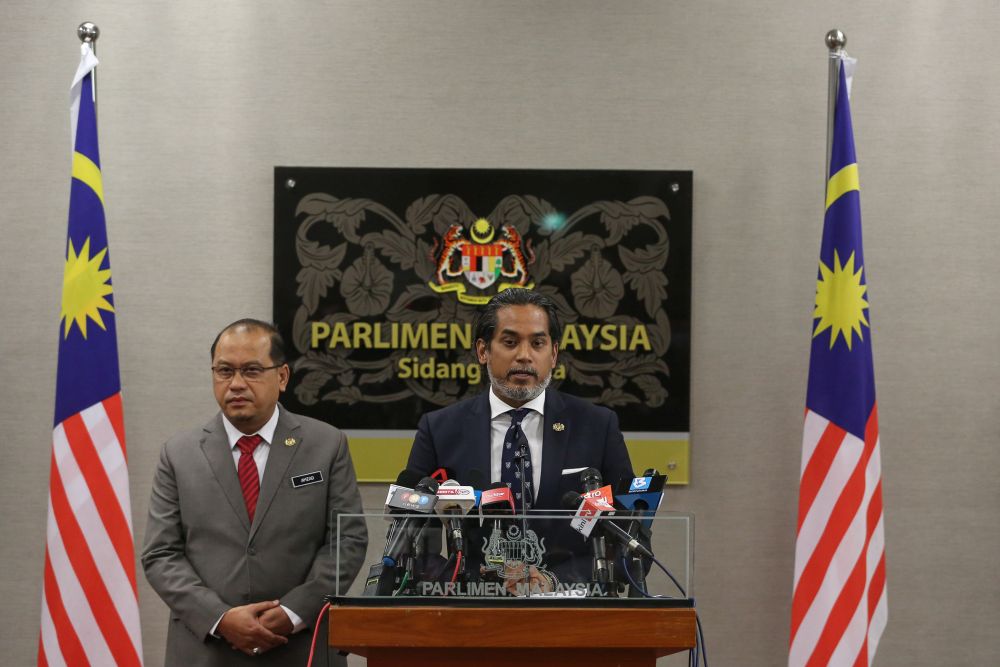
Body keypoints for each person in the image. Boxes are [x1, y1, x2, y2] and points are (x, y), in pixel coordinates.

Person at [142, 319, 367, 665]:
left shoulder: (326, 444)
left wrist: (293, 612)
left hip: (301, 647)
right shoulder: (178, 454)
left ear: (282, 377)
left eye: (251, 370)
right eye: (224, 371)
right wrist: (220, 618)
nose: (236, 384)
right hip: (208, 650)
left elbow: (347, 541)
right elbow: (160, 554)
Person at [406, 288, 634, 586]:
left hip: (568, 604)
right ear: (483, 351)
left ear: (553, 354)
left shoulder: (597, 426)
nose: (524, 355)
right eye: (510, 342)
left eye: (537, 343)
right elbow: (412, 542)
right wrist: (471, 584)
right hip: (472, 605)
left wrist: (553, 581)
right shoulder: (440, 430)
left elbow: (629, 539)